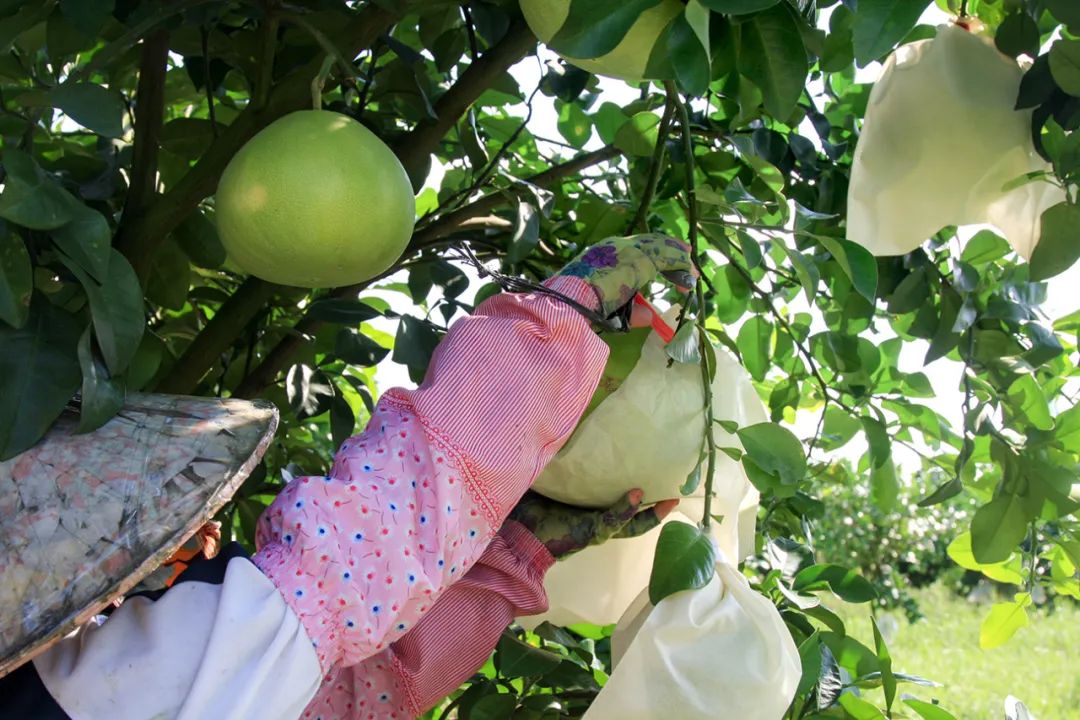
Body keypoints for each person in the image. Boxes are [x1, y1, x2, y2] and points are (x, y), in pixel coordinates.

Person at [0, 234, 693, 720]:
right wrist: (547, 330)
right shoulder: (80, 691)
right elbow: (325, 587)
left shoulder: (81, 683)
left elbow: (338, 693)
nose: (203, 538)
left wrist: (503, 565)